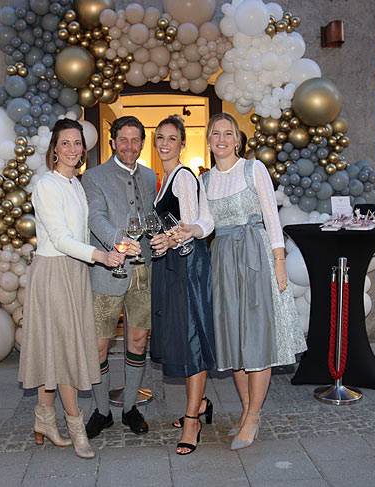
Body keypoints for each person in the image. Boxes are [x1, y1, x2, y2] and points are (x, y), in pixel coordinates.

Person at [18, 119, 125, 460]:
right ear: (54, 149)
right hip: (54, 273)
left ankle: (44, 421)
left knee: (55, 348)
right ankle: (76, 428)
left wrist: (116, 245)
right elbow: (62, 239)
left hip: (75, 272)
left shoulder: (75, 184)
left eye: (77, 143)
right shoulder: (47, 185)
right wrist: (102, 257)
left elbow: (83, 231)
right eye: (65, 143)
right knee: (64, 353)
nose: (72, 149)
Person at [200, 113, 307, 450]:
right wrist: (186, 231)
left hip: (256, 256)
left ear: (237, 139)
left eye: (228, 133)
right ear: (209, 140)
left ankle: (254, 415)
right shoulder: (205, 181)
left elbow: (271, 218)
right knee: (233, 338)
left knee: (256, 338)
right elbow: (204, 225)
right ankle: (246, 410)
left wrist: (279, 262)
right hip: (223, 261)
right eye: (215, 133)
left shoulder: (253, 169)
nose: (221, 139)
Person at [81, 116, 158, 438]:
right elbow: (94, 217)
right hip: (105, 273)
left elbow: (151, 218)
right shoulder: (93, 177)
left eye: (135, 140)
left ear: (142, 142)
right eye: (122, 140)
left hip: (143, 274)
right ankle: (101, 410)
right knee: (99, 346)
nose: (129, 146)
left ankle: (129, 408)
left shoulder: (151, 176)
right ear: (112, 142)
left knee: (138, 341)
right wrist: (119, 240)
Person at [149, 115, 216, 455]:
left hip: (187, 265)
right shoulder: (166, 179)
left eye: (171, 138)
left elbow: (188, 228)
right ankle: (201, 402)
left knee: (192, 341)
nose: (164, 143)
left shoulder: (183, 179)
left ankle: (192, 421)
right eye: (159, 137)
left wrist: (168, 239)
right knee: (183, 336)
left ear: (182, 143)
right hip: (175, 264)